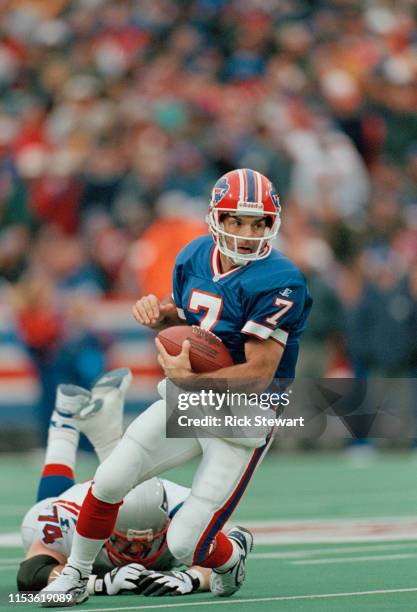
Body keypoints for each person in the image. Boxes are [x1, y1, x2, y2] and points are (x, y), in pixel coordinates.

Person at [41, 168, 312, 606]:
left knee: (187, 545)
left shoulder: (280, 279)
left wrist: (189, 379)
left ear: (272, 224)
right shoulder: (192, 256)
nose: (246, 233)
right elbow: (194, 317)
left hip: (244, 413)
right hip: (191, 395)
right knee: (109, 480)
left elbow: (260, 373)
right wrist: (161, 312)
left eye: (257, 222)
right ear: (216, 219)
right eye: (236, 220)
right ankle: (75, 574)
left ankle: (230, 557)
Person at [19, 368, 211, 597]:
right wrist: (99, 583)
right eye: (127, 544)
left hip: (122, 490)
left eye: (146, 543)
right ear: (104, 528)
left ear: (166, 525)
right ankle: (64, 424)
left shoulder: (182, 507)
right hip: (76, 503)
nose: (137, 553)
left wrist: (192, 579)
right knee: (41, 511)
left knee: (122, 474)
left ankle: (96, 431)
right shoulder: (68, 516)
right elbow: (30, 574)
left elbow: (226, 556)